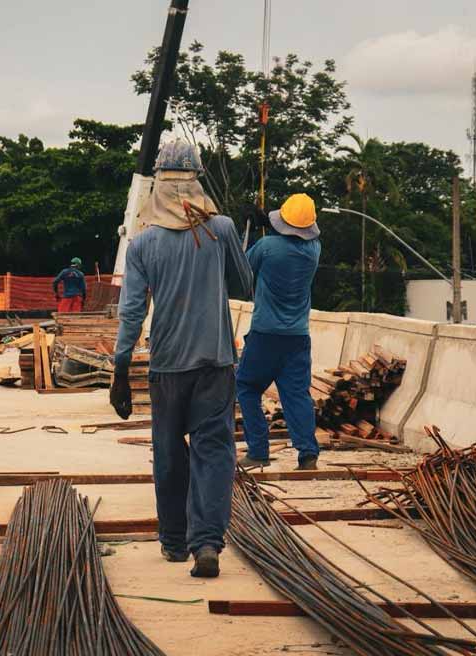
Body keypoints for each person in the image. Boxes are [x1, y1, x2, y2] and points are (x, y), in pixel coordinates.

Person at [111, 139, 253, 579]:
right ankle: (206, 542)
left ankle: (174, 541)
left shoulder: (142, 244)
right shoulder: (222, 229)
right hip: (215, 362)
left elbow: (132, 310)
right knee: (214, 451)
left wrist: (119, 368)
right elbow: (245, 285)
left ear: (158, 183)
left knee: (169, 452)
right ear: (197, 180)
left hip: (167, 365)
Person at [235, 194, 323, 471]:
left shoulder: (266, 247)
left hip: (265, 334)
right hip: (298, 336)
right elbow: (290, 240)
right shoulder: (314, 250)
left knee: (247, 388)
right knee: (297, 395)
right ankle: (308, 454)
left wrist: (248, 234)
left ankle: (258, 451)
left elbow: (242, 272)